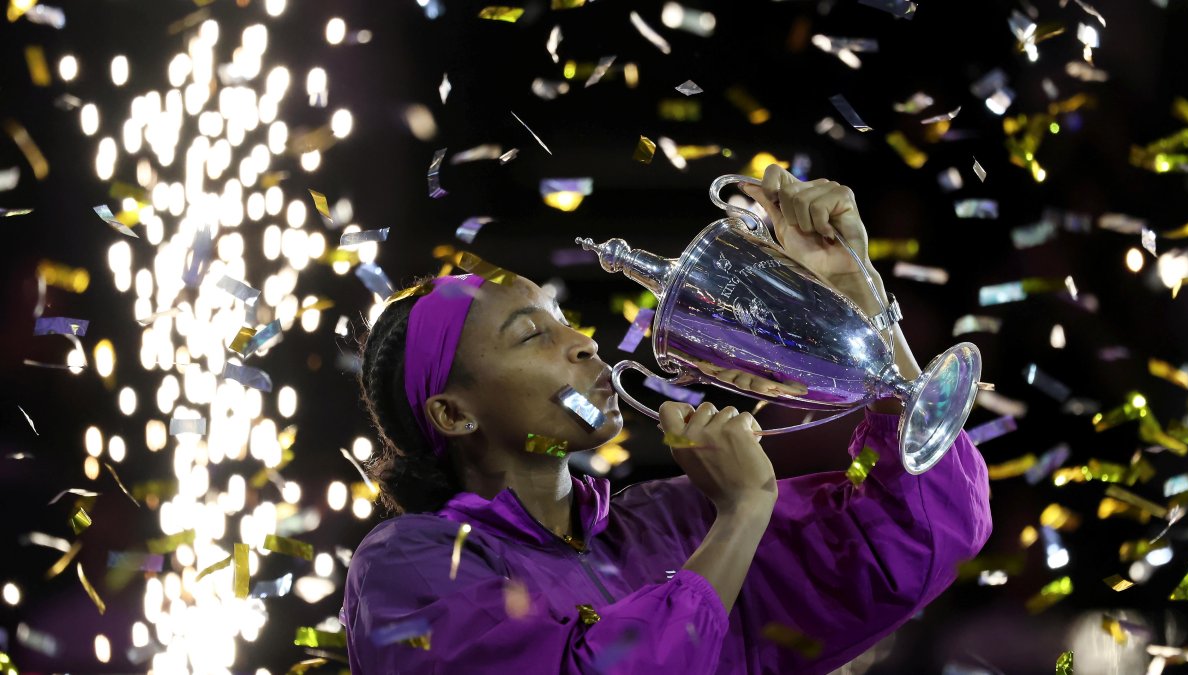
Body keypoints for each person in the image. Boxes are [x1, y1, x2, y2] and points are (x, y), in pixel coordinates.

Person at [341, 165, 993, 674]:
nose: (584, 343)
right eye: (529, 334)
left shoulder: (671, 519)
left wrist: (860, 302)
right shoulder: (408, 566)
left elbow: (924, 537)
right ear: (453, 413)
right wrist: (739, 516)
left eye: (566, 321)